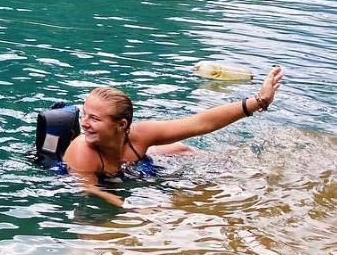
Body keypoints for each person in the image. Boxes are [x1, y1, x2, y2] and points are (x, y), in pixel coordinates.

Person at [63, 66, 284, 207]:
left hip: (132, 166)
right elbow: (89, 189)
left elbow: (200, 123)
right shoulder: (82, 150)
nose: (84, 123)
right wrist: (132, 209)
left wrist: (259, 101)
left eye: (94, 118)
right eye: (84, 115)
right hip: (98, 180)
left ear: (121, 125)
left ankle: (242, 165)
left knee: (183, 149)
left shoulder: (139, 135)